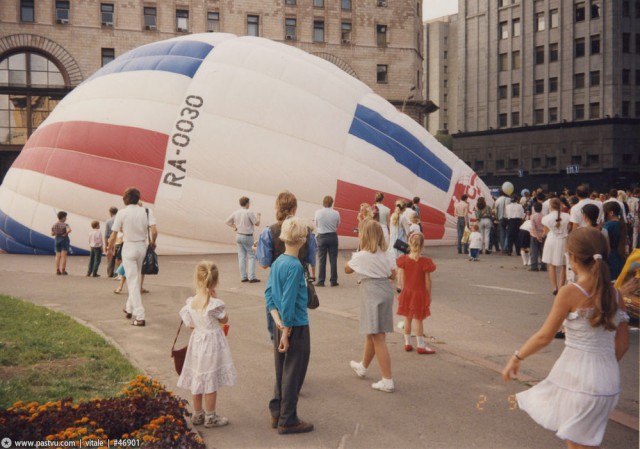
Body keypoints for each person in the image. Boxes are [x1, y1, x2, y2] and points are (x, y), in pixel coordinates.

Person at [501, 227, 629, 449]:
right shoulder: (616, 294)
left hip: (578, 380)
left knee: (578, 445)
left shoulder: (570, 292)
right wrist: (602, 367)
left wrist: (517, 357)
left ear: (572, 257)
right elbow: (623, 344)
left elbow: (544, 337)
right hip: (608, 381)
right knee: (584, 443)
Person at [265, 217, 314, 435]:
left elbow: (269, 295)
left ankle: (277, 411)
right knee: (294, 373)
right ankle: (288, 419)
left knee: (281, 370)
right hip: (296, 325)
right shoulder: (295, 267)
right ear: (302, 240)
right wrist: (286, 331)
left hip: (280, 325)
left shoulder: (277, 263)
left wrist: (277, 323)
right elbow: (288, 301)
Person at [177, 261, 236, 429]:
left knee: (198, 377)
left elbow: (189, 324)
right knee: (210, 380)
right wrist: (215, 298)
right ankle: (211, 417)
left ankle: (198, 414)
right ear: (215, 282)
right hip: (211, 344)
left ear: (197, 279)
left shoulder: (190, 303)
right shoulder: (214, 304)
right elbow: (225, 319)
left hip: (197, 343)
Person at [256, 191, 317, 340]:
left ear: (277, 208)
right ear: (294, 209)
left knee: (275, 322)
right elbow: (311, 258)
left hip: (277, 281)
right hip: (298, 281)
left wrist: (256, 250)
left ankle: (280, 348)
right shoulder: (307, 232)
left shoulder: (268, 232)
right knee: (297, 319)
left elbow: (264, 264)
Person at [346, 219, 397, 393]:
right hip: (385, 290)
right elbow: (393, 274)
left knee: (378, 337)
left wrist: (359, 251)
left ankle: (387, 380)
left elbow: (347, 269)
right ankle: (363, 366)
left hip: (371, 293)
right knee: (372, 332)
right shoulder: (387, 254)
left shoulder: (361, 256)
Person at [108, 187, 158, 327]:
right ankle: (129, 308)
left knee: (132, 281)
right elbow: (154, 231)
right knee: (135, 278)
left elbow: (113, 235)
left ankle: (140, 316)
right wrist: (153, 242)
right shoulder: (147, 211)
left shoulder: (122, 213)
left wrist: (110, 248)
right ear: (138, 198)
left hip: (129, 246)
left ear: (125, 199)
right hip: (142, 246)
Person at [396, 232, 436, 354]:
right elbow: (428, 281)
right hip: (419, 294)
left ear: (409, 243)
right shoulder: (426, 262)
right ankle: (420, 345)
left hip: (407, 292)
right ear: (422, 245)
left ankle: (407, 343)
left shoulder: (403, 260)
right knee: (419, 319)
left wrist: (402, 290)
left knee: (407, 319)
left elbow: (400, 277)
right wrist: (429, 295)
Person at [225, 196, 261, 283]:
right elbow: (257, 224)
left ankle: (243, 276)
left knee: (241, 256)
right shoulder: (249, 212)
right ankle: (251, 277)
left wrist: (235, 227)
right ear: (247, 203)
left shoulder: (236, 212)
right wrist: (258, 216)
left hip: (238, 235)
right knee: (251, 255)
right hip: (247, 236)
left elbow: (227, 221)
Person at [541, 198, 571, 296]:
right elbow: (569, 228)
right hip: (564, 240)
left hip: (551, 240)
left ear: (550, 206)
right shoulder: (567, 216)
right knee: (564, 265)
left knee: (551, 265)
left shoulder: (546, 218)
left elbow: (545, 232)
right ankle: (561, 286)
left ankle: (554, 287)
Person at [313, 195, 340, 287]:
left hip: (322, 236)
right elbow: (338, 224)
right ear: (332, 203)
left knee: (322, 259)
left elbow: (316, 225)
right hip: (332, 236)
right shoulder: (336, 213)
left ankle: (321, 281)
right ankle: (333, 281)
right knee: (333, 259)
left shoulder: (318, 212)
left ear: (323, 202)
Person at [602, 201, 628, 281]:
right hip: (620, 257)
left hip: (610, 259)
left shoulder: (608, 225)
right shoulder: (622, 224)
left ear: (611, 213)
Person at [51, 211, 71, 275]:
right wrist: (65, 233)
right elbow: (69, 230)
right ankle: (63, 270)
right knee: (64, 256)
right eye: (65, 217)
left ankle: (57, 269)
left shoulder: (54, 225)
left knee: (57, 255)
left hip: (57, 239)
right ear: (63, 217)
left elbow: (52, 233)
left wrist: (57, 233)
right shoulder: (65, 224)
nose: (66, 218)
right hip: (64, 240)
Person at [529, 202, 546, 272]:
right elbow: (546, 227)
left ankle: (534, 266)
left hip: (534, 235)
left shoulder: (533, 216)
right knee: (543, 251)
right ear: (541, 208)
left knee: (534, 251)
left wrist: (537, 236)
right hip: (543, 235)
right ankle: (543, 266)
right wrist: (542, 235)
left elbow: (533, 228)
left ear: (534, 208)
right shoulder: (544, 216)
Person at [104, 207, 118, 278]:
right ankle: (116, 272)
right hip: (119, 240)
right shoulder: (120, 220)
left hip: (111, 240)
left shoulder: (108, 221)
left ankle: (110, 273)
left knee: (110, 257)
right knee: (118, 257)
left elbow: (106, 235)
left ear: (110, 213)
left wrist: (106, 246)